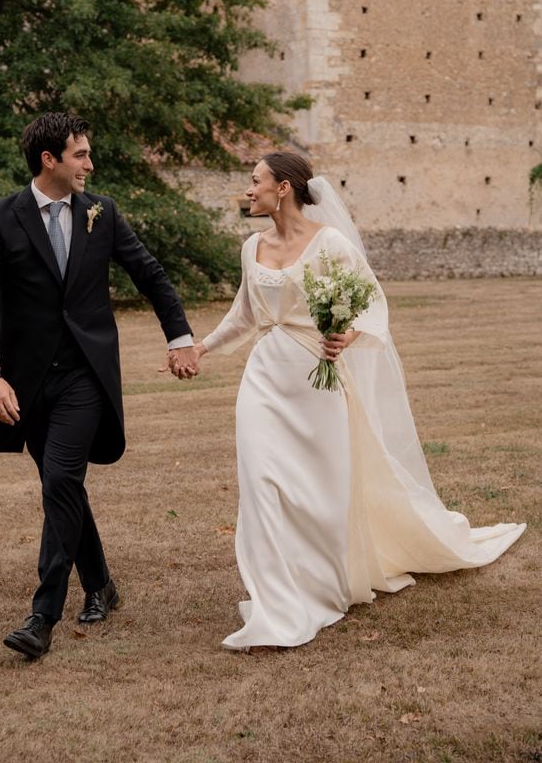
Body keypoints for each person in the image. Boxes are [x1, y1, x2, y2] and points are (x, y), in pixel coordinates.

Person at [193, 151, 525, 651]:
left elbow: (370, 304)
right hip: (264, 381)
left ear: (283, 188)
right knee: (260, 484)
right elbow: (243, 316)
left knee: (321, 491)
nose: (248, 189)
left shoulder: (330, 245)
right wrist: (198, 348)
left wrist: (344, 336)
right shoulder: (251, 248)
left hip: (318, 379)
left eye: (255, 181)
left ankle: (321, 582)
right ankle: (275, 601)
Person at [0, 112, 198, 659]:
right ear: (51, 160)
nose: (90, 164)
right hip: (24, 383)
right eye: (81, 155)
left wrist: (179, 338)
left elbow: (151, 274)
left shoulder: (101, 212)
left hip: (87, 377)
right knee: (61, 484)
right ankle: (102, 586)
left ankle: (42, 616)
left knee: (62, 477)